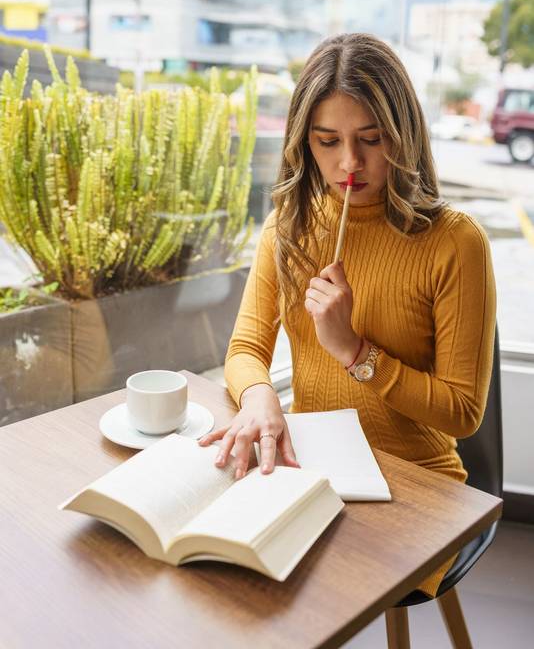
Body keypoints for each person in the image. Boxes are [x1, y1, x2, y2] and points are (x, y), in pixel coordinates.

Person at [198, 33, 496, 597]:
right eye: (327, 140)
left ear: (402, 135)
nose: (349, 163)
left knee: (300, 596)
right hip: (315, 467)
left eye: (371, 139)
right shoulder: (288, 225)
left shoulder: (457, 242)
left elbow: (462, 413)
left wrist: (356, 354)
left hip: (417, 484)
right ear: (303, 141)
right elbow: (243, 351)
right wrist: (261, 399)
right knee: (220, 578)